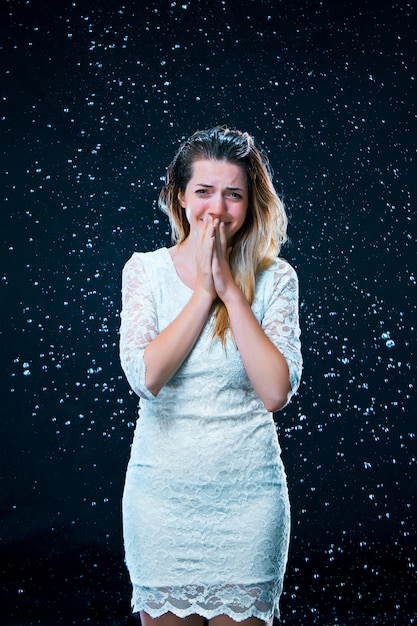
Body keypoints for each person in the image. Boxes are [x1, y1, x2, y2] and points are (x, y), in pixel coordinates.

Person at [119, 126, 302, 626]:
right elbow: (146, 378)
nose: (217, 208)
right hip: (161, 503)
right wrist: (203, 292)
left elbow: (275, 392)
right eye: (203, 191)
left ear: (250, 203)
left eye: (233, 194)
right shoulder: (145, 271)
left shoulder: (275, 279)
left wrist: (230, 289)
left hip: (248, 505)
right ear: (181, 198)